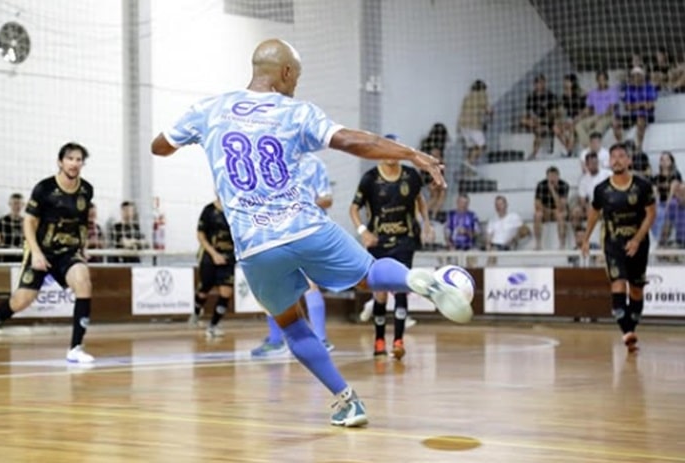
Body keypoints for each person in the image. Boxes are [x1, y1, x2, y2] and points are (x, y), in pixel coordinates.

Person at [151, 39, 467, 427]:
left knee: (290, 325)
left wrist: (198, 138)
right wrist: (410, 154)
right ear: (285, 72)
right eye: (296, 76)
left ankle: (346, 400)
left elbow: (159, 147)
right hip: (305, 227)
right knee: (370, 275)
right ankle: (420, 280)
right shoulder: (296, 111)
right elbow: (354, 141)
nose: (297, 84)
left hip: (255, 247)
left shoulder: (208, 109)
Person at [0, 142, 96, 363]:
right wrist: (36, 252)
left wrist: (83, 248)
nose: (74, 163)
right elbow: (29, 222)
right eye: (70, 158)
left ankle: (76, 348)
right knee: (21, 300)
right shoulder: (44, 189)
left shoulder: (86, 190)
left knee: (83, 282)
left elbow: (82, 223)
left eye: (78, 159)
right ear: (60, 162)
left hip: (68, 251)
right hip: (41, 249)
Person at [251, 152, 336, 357]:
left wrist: (299, 207)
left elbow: (327, 199)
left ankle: (319, 339)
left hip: (305, 230)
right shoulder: (270, 163)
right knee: (271, 283)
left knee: (307, 283)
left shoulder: (314, 163)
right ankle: (278, 339)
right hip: (275, 231)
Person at [349, 145, 429, 360]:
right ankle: (379, 339)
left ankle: (399, 341)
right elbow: (353, 208)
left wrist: (427, 224)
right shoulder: (370, 178)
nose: (391, 155)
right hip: (379, 242)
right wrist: (362, 231)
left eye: (395, 151)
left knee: (402, 287)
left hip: (405, 241)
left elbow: (420, 200)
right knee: (381, 292)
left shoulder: (411, 176)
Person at [582, 143, 655, 354]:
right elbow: (594, 214)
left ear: (629, 161)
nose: (617, 160)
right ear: (609, 161)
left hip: (639, 244)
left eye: (622, 156)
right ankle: (626, 333)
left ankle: (630, 328)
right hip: (613, 243)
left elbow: (651, 214)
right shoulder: (601, 190)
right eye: (613, 156)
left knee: (636, 290)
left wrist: (637, 239)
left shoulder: (642, 186)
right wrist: (586, 238)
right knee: (618, 284)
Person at [190, 196, 235, 339]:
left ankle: (213, 326)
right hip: (209, 255)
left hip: (229, 255)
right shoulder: (209, 210)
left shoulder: (235, 209)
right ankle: (197, 312)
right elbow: (200, 234)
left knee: (226, 292)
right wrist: (214, 254)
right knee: (204, 288)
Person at [0, 192, 25, 262]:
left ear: (23, 205)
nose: (17, 206)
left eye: (19, 204)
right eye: (15, 203)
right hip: (6, 258)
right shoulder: (1, 222)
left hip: (21, 258)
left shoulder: (26, 223)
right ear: (10, 204)